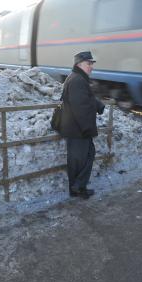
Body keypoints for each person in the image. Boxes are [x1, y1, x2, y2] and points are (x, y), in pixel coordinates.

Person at [60, 51, 105, 199]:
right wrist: (87, 129)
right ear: (79, 64)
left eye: (92, 63)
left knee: (83, 158)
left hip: (76, 128)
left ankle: (78, 187)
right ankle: (78, 188)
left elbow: (86, 99)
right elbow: (80, 108)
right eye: (89, 63)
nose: (91, 66)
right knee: (80, 159)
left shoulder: (78, 78)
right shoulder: (77, 80)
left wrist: (99, 105)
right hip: (78, 129)